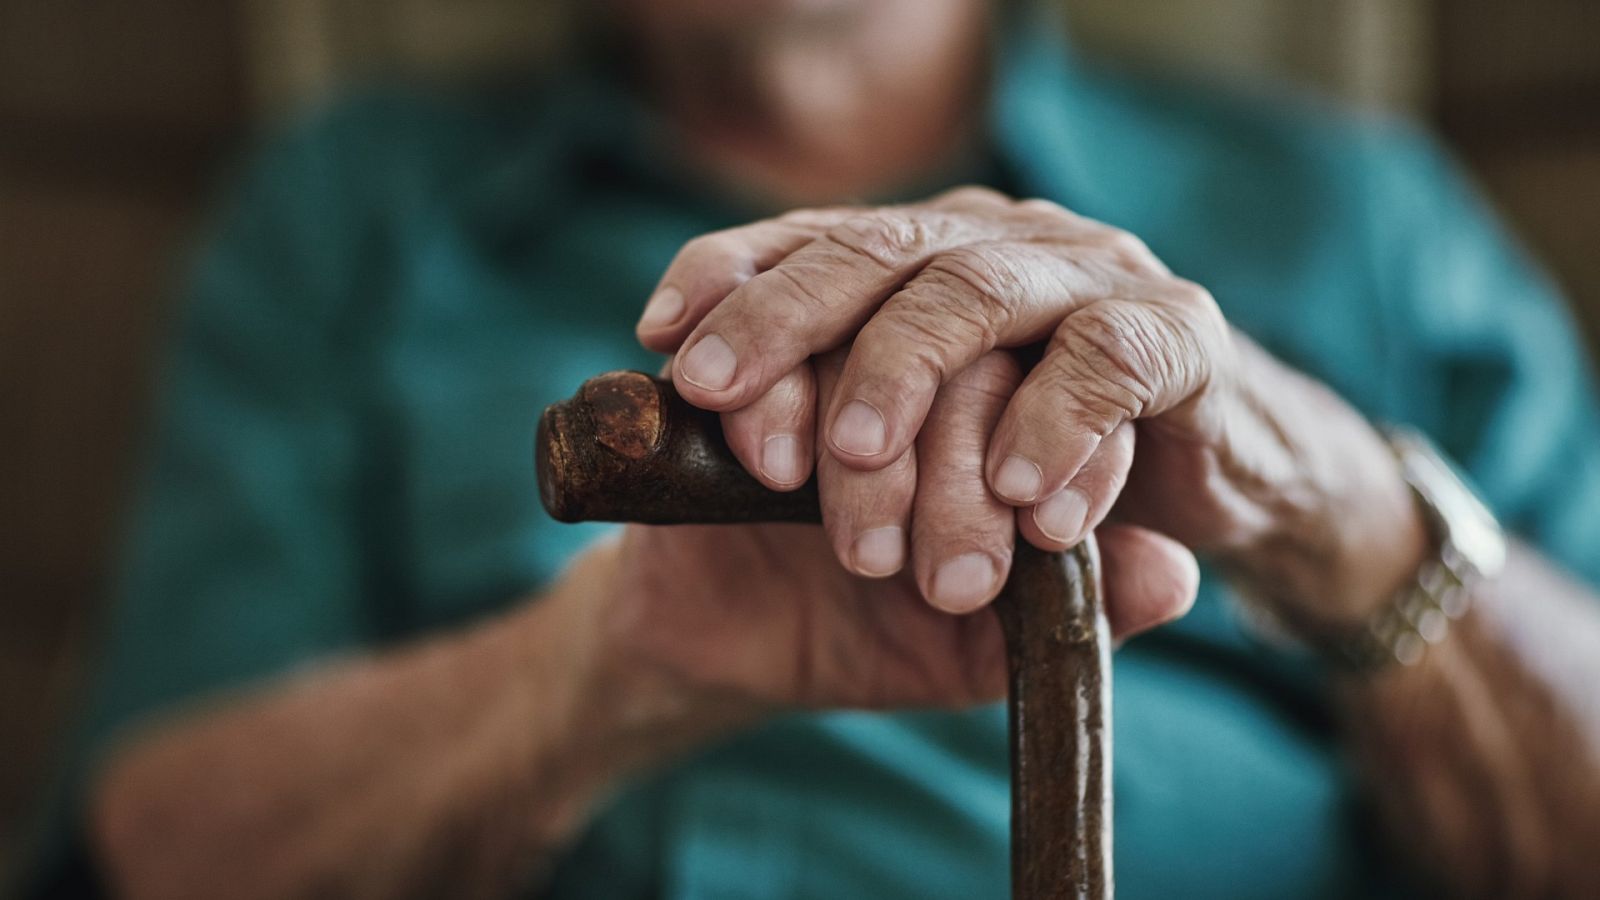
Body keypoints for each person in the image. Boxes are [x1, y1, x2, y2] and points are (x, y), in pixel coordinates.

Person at [24, 0, 1600, 897]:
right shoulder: (343, 213)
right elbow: (151, 839)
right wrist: (597, 677)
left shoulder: (1359, 218)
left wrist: (1333, 503)